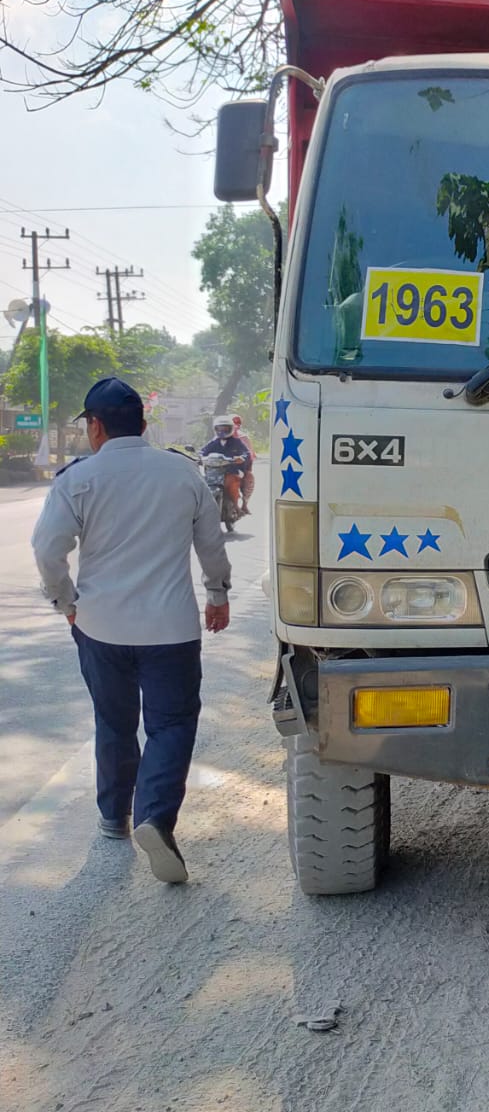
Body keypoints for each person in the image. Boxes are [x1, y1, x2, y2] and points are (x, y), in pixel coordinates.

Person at [31, 377, 232, 885]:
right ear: (143, 424)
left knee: (114, 721)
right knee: (171, 724)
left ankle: (113, 817)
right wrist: (217, 593)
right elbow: (210, 544)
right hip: (170, 629)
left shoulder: (76, 479)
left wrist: (65, 601)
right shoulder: (182, 473)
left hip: (100, 627)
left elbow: (47, 551)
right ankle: (155, 817)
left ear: (95, 427)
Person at [200, 416, 252, 517]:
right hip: (214, 471)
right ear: (215, 429)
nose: (222, 431)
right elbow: (203, 451)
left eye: (225, 429)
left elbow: (246, 452)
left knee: (231, 483)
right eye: (219, 429)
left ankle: (236, 507)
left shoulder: (236, 442)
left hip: (232, 470)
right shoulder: (214, 442)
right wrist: (201, 457)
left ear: (231, 429)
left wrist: (241, 457)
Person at [230, 414, 256, 514]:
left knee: (249, 478)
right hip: (222, 465)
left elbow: (250, 455)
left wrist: (243, 461)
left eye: (237, 424)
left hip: (239, 467)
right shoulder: (220, 437)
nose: (235, 426)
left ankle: (244, 504)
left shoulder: (243, 438)